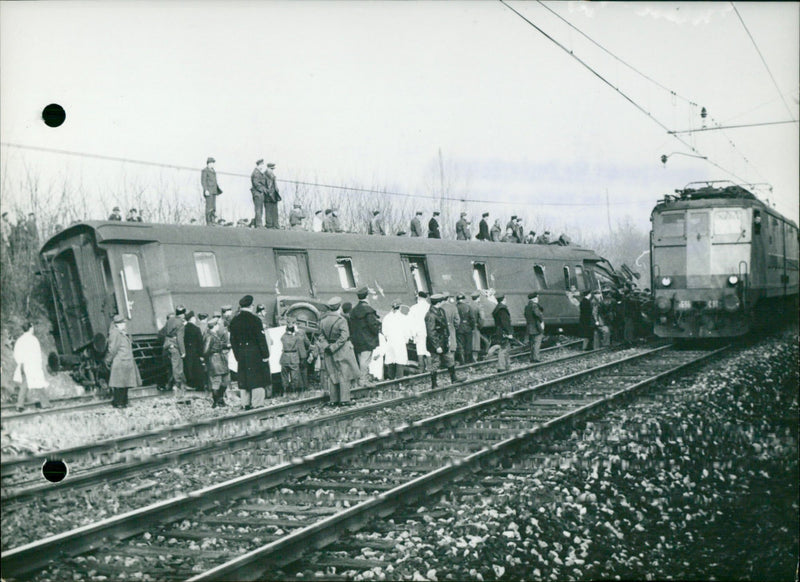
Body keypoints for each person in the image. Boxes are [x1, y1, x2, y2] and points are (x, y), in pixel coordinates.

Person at [229, 294, 271, 409]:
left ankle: (245, 403)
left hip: (241, 353)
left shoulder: (234, 321)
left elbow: (233, 341)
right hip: (255, 353)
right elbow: (260, 339)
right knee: (257, 378)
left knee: (244, 378)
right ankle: (257, 404)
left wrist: (238, 355)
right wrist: (265, 355)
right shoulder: (255, 320)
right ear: (251, 306)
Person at [316, 297, 359, 405]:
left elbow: (320, 335)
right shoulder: (341, 320)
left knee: (332, 374)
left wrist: (327, 346)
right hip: (341, 350)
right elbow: (344, 336)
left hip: (328, 350)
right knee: (344, 373)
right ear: (339, 307)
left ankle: (333, 399)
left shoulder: (323, 320)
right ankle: (344, 400)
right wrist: (334, 347)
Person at [424, 294, 461, 388]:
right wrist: (437, 346)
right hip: (435, 343)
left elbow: (445, 327)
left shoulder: (441, 311)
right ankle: (434, 384)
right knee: (435, 362)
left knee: (449, 359)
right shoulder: (430, 315)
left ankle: (454, 378)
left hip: (443, 341)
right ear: (439, 302)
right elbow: (431, 332)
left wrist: (448, 338)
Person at [105, 314, 141, 408]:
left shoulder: (121, 333)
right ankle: (119, 403)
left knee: (124, 383)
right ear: (117, 324)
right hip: (120, 361)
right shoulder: (115, 333)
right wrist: (108, 360)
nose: (124, 324)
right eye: (122, 323)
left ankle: (124, 402)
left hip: (124, 361)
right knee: (119, 384)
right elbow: (112, 349)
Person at [13, 321, 51, 411]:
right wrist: (39, 365)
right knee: (39, 383)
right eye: (32, 327)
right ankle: (45, 404)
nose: (33, 329)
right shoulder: (33, 340)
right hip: (32, 365)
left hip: (22, 365)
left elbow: (15, 354)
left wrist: (20, 363)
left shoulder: (20, 340)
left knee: (24, 385)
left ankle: (19, 405)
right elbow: (37, 354)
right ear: (30, 328)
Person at [349, 286, 381, 387]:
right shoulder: (368, 310)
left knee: (360, 360)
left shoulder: (353, 311)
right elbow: (373, 325)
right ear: (367, 297)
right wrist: (377, 331)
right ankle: (363, 381)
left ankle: (361, 380)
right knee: (365, 361)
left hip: (357, 340)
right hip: (367, 340)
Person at [203, 313, 231, 407]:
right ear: (214, 326)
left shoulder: (213, 334)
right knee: (217, 381)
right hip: (215, 360)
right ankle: (216, 402)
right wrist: (213, 352)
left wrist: (225, 345)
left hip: (219, 359)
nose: (219, 326)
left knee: (225, 381)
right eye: (217, 325)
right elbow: (205, 351)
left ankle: (220, 399)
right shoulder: (210, 336)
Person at [382, 300, 411, 380]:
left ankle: (390, 377)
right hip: (400, 341)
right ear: (400, 307)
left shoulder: (387, 317)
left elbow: (384, 331)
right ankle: (399, 378)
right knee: (400, 359)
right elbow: (407, 331)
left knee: (391, 359)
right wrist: (406, 340)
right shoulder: (403, 318)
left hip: (390, 341)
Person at [163, 305, 187, 397]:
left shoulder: (170, 320)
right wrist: (183, 351)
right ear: (183, 314)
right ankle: (177, 387)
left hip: (168, 345)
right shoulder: (180, 323)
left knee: (171, 367)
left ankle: (171, 384)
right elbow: (180, 338)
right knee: (178, 367)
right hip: (176, 346)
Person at [407, 290, 430, 372]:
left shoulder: (413, 308)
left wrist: (411, 333)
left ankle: (421, 369)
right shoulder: (429, 307)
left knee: (420, 350)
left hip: (419, 332)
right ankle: (430, 368)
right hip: (430, 331)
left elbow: (410, 321)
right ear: (425, 298)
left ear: (419, 298)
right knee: (429, 350)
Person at [183, 311, 206, 391]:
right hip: (195, 352)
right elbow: (200, 343)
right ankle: (199, 386)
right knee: (198, 369)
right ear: (192, 318)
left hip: (187, 352)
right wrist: (201, 355)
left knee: (188, 369)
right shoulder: (196, 329)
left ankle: (190, 384)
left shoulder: (184, 328)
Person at [279, 322, 303, 394]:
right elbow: (300, 338)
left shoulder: (283, 337)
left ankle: (285, 391)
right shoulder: (296, 337)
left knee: (284, 376)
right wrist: (296, 332)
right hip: (294, 357)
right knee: (294, 376)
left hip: (285, 357)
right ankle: (294, 391)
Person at [492, 294, 513, 371]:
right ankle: (501, 367)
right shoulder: (502, 310)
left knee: (506, 348)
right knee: (503, 349)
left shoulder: (497, 308)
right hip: (503, 331)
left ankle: (507, 366)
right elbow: (505, 322)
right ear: (503, 299)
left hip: (499, 330)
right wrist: (509, 332)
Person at [440, 292, 460, 367]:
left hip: (441, 329)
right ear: (448, 298)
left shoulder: (439, 307)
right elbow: (457, 320)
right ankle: (451, 364)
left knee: (443, 346)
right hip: (451, 328)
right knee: (452, 346)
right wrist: (455, 327)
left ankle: (443, 364)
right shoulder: (453, 307)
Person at [524, 292, 545, 362]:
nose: (537, 299)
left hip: (529, 327)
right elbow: (537, 314)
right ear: (534, 299)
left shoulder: (527, 307)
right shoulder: (535, 306)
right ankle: (536, 358)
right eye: (537, 298)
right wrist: (541, 321)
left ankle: (532, 358)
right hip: (536, 327)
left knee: (532, 344)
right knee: (537, 343)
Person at [201, 157, 222, 225]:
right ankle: (209, 221)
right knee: (209, 207)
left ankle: (213, 220)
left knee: (213, 207)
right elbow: (203, 181)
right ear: (209, 163)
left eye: (213, 163)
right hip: (209, 191)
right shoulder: (205, 170)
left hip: (214, 191)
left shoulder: (213, 171)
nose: (213, 164)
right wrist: (206, 190)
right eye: (212, 163)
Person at [455, 293, 475, 364]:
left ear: (457, 300)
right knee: (468, 344)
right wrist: (472, 327)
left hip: (459, 328)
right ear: (463, 299)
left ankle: (462, 360)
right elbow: (472, 318)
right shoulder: (468, 307)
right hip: (467, 327)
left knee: (460, 345)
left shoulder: (455, 307)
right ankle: (469, 360)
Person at [250, 159, 269, 228]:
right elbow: (256, 184)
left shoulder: (259, 172)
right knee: (258, 209)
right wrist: (263, 190)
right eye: (262, 165)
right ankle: (259, 224)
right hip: (257, 193)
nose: (263, 167)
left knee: (260, 209)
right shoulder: (256, 173)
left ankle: (256, 223)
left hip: (260, 193)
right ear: (260, 165)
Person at [264, 162, 281, 229]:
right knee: (269, 210)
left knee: (274, 210)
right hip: (269, 195)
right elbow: (269, 186)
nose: (272, 170)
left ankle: (275, 224)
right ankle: (270, 224)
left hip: (273, 195)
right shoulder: (267, 174)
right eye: (271, 169)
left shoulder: (270, 174)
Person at [469, 291, 484, 362]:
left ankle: (471, 358)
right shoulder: (479, 306)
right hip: (475, 326)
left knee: (471, 342)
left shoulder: (468, 305)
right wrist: (480, 326)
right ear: (478, 298)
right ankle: (475, 359)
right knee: (476, 343)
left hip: (469, 327)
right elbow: (482, 318)